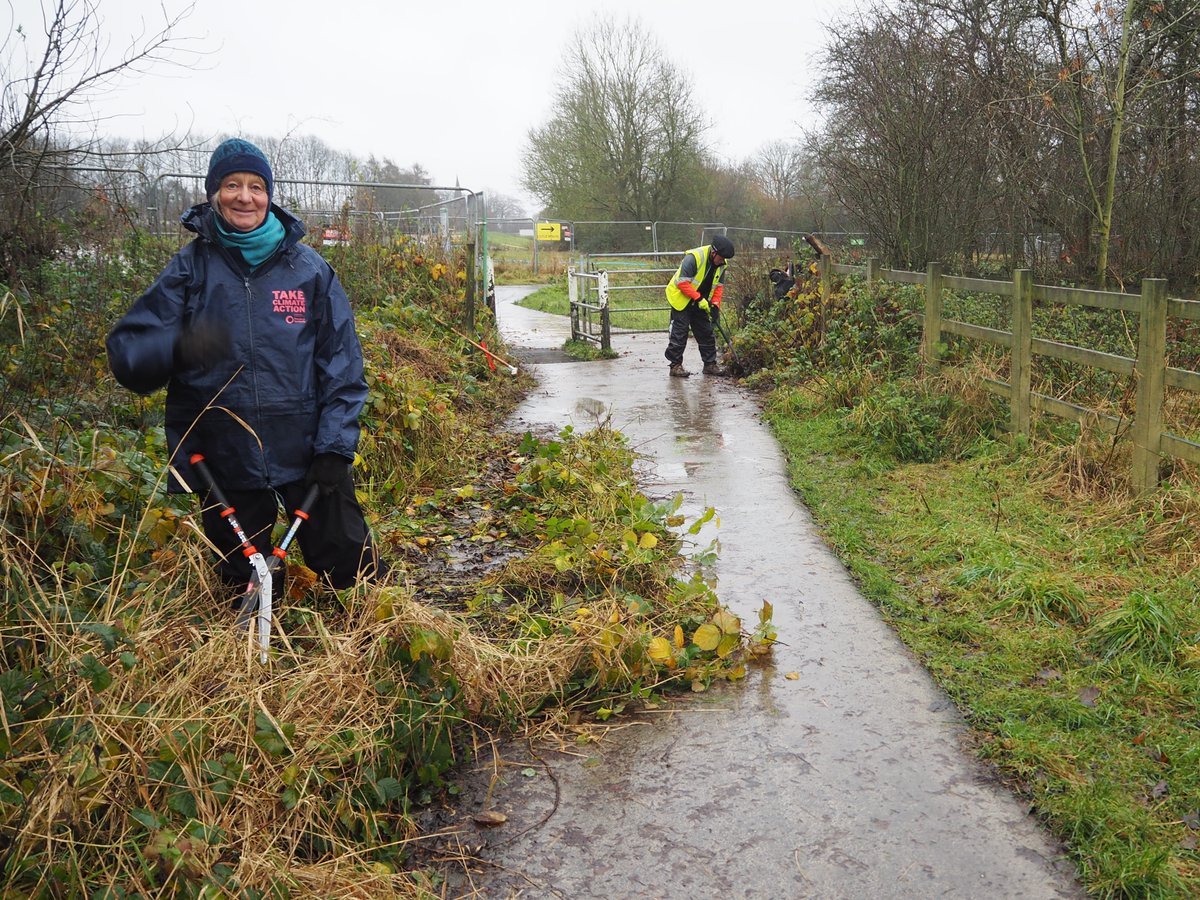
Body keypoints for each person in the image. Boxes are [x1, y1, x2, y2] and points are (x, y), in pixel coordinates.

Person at [106, 138, 385, 600]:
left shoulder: (309, 271)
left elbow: (342, 364)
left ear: (269, 195)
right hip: (225, 454)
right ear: (214, 193)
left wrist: (335, 445)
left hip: (307, 448)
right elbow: (128, 356)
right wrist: (181, 347)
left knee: (350, 564)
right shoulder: (190, 269)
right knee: (242, 583)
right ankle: (248, 663)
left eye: (256, 186)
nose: (245, 196)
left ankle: (370, 645)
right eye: (232, 184)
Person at [664, 234, 735, 377]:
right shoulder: (694, 257)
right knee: (680, 332)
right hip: (681, 298)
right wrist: (699, 298)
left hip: (699, 301)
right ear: (714, 252)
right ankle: (675, 366)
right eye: (720, 258)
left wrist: (715, 305)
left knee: (706, 332)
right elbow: (682, 283)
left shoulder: (721, 265)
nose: (722, 261)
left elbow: (718, 286)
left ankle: (710, 365)